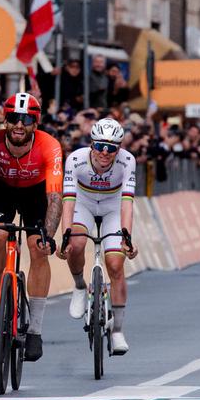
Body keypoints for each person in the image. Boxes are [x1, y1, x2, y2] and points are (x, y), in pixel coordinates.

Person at [0, 92, 63, 362]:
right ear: (4, 120)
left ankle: (35, 331)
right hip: (1, 189)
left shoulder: (50, 146)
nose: (19, 124)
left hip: (36, 193)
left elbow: (55, 197)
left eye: (26, 119)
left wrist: (49, 236)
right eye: (14, 118)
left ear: (36, 122)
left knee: (37, 248)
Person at [57, 117, 138, 355]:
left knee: (115, 263)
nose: (105, 152)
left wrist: (127, 238)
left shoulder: (127, 162)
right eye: (100, 146)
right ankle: (80, 285)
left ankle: (118, 331)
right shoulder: (75, 159)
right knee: (76, 242)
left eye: (112, 147)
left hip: (113, 206)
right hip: (84, 202)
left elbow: (127, 203)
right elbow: (69, 200)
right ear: (91, 144)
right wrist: (65, 236)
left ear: (119, 148)